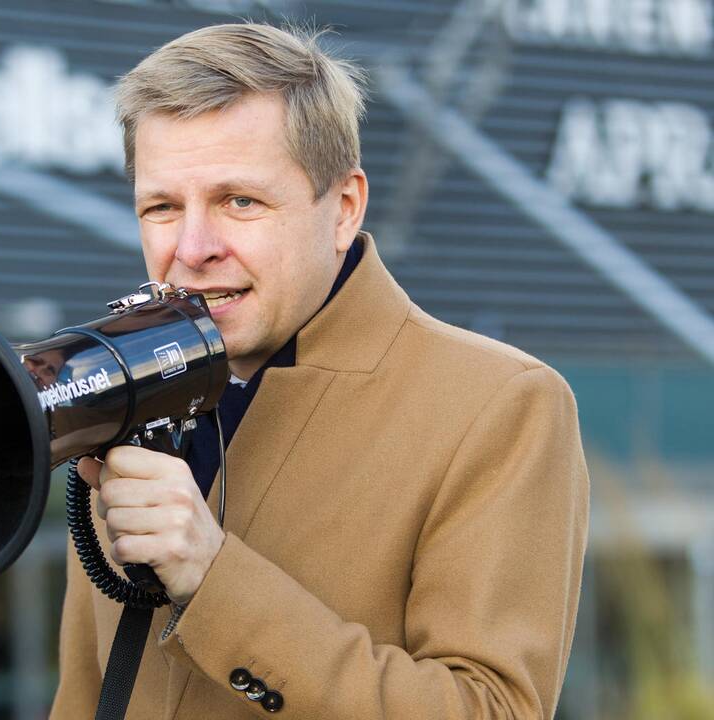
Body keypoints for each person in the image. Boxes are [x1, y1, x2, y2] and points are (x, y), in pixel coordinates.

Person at [50, 22, 588, 719]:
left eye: (239, 201)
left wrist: (213, 578)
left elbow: (491, 710)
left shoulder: (504, 405)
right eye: (161, 207)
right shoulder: (129, 393)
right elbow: (83, 699)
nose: (192, 248)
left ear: (344, 208)